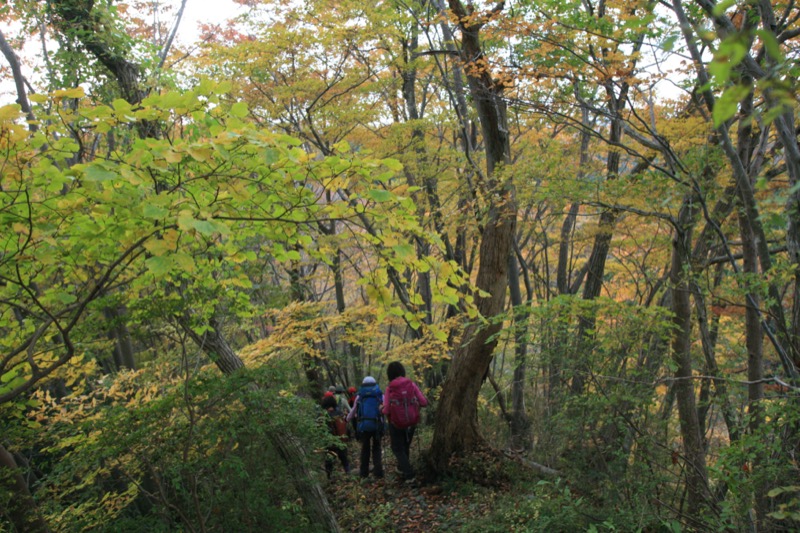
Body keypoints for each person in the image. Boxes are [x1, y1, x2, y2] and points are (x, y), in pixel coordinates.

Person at [383, 362, 427, 484]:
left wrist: (381, 409)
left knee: (397, 448)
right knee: (405, 446)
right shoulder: (411, 384)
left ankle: (409, 475)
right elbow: (424, 402)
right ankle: (403, 469)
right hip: (411, 422)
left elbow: (386, 409)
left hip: (396, 423)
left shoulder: (390, 388)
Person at [346, 376, 384, 479]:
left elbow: (353, 411)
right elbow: (384, 409)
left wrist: (347, 419)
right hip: (377, 425)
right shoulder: (379, 394)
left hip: (364, 426)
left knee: (365, 449)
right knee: (376, 448)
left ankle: (364, 473)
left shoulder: (360, 395)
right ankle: (378, 472)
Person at [321, 394, 350, 479]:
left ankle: (329, 477)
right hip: (342, 440)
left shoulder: (325, 416)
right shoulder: (340, 413)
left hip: (331, 442)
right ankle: (349, 474)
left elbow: (324, 430)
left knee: (329, 460)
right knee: (344, 458)